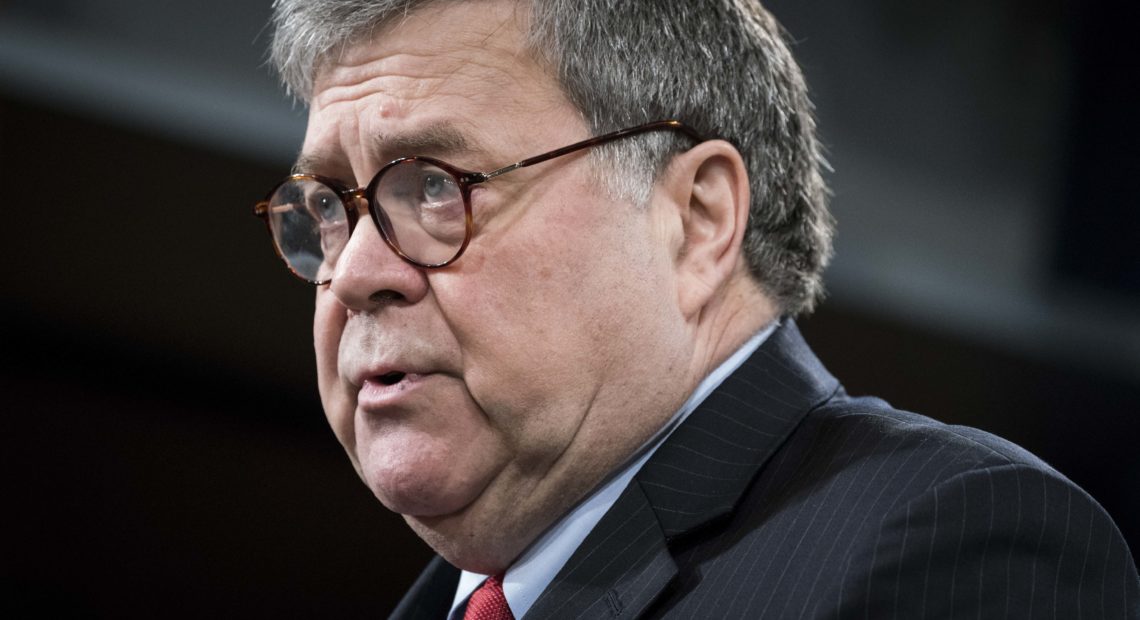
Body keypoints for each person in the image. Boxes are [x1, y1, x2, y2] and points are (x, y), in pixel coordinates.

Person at [255, 0, 1140, 617]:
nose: (358, 269)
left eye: (435, 186)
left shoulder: (951, 543)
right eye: (331, 204)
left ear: (696, 219)